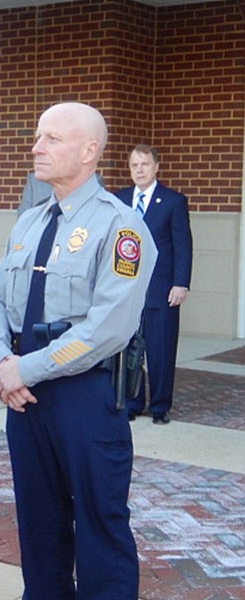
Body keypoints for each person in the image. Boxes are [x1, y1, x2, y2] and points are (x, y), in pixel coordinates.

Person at [0, 102, 157, 600]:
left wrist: (26, 368)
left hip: (84, 397)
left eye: (52, 137)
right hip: (26, 392)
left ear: (89, 151)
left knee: (101, 533)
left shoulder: (123, 229)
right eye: (35, 136)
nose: (36, 145)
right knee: (40, 524)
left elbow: (108, 326)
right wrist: (3, 360)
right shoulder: (29, 222)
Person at [114, 145, 192, 424]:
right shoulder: (119, 199)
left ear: (156, 167)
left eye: (145, 164)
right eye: (134, 165)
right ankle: (132, 403)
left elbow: (183, 246)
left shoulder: (172, 201)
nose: (139, 170)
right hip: (127, 291)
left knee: (160, 350)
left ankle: (160, 406)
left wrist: (181, 283)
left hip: (162, 290)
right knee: (129, 348)